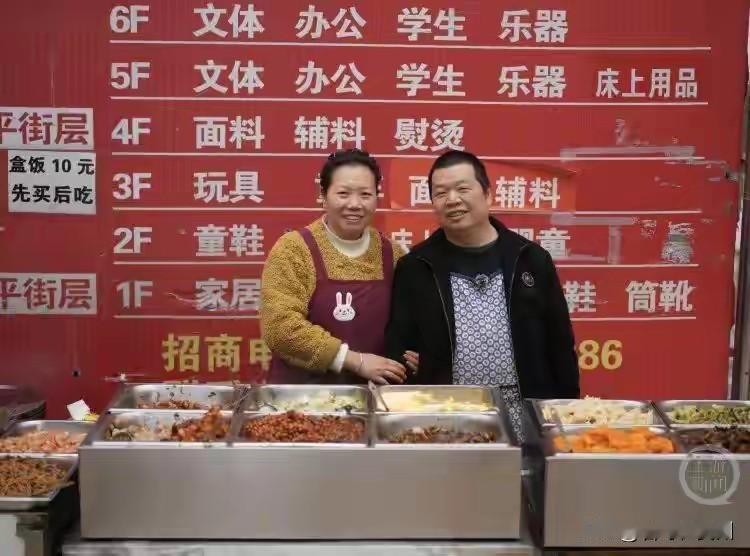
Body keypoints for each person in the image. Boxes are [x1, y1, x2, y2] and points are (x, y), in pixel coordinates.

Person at [385, 150, 579, 436]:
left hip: (525, 417)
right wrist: (418, 367)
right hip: (446, 419)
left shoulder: (531, 259)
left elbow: (560, 345)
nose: (452, 199)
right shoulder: (416, 266)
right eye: (441, 193)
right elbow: (398, 346)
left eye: (462, 188)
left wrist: (567, 415)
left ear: (488, 194)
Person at [261, 149, 407, 385]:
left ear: (377, 198)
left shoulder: (393, 253)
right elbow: (281, 328)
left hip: (373, 395)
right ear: (323, 195)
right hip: (302, 397)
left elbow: (409, 322)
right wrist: (355, 361)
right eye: (343, 194)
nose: (354, 204)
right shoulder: (294, 249)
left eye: (365, 194)